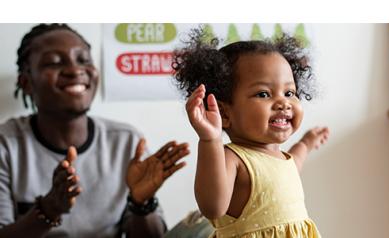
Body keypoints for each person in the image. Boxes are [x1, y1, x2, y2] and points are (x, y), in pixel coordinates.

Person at [0, 23, 190, 238]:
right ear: (26, 83)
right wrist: (48, 210)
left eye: (84, 60)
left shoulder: (127, 142)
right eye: (54, 62)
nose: (74, 70)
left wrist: (141, 203)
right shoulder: (5, 145)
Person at [172, 29, 329, 237]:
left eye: (289, 92)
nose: (283, 102)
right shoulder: (233, 158)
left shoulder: (282, 158)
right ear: (224, 113)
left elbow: (293, 165)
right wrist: (210, 139)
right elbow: (213, 207)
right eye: (264, 94)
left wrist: (307, 143)